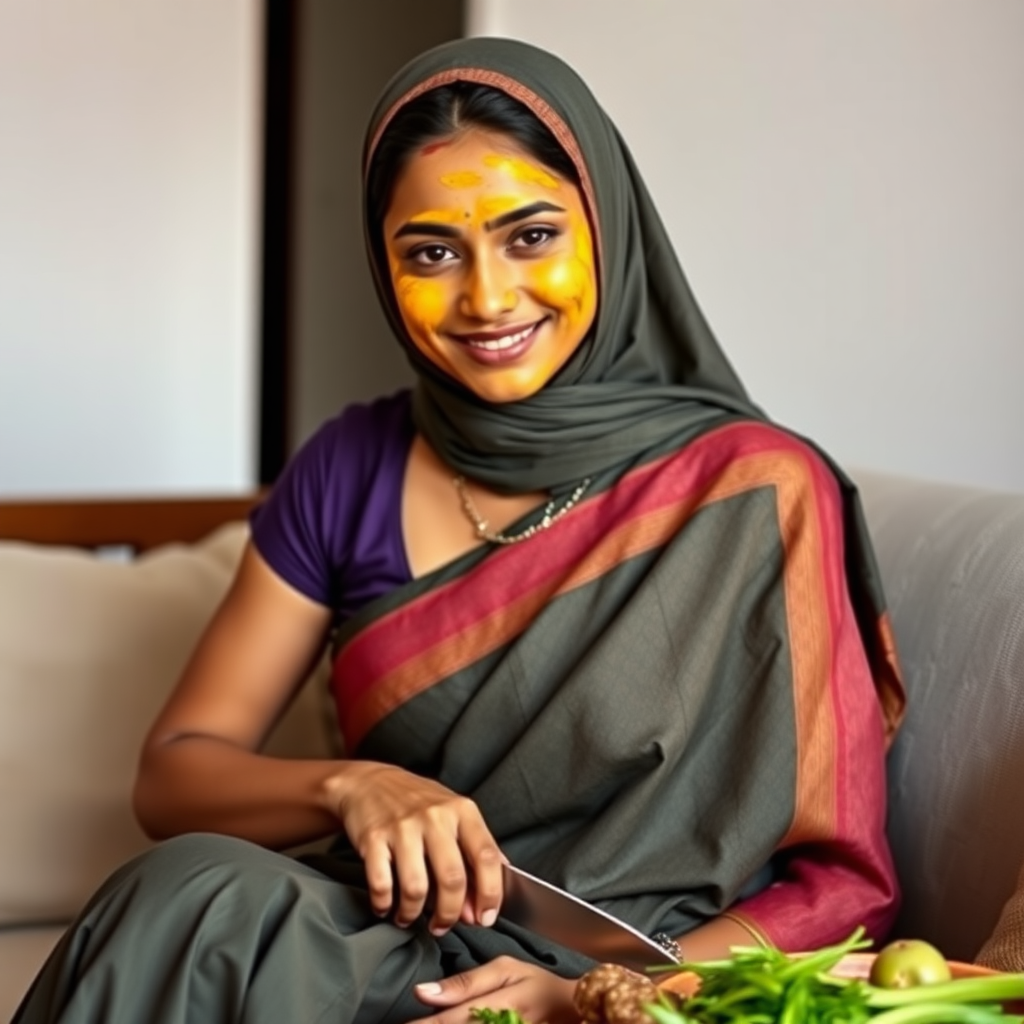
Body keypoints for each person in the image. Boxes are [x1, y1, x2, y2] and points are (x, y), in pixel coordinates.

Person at [14, 36, 905, 1024]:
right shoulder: (352, 465)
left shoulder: (755, 490)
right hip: (380, 936)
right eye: (431, 252)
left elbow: (838, 889)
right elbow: (176, 770)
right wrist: (354, 786)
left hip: (621, 985)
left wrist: (596, 995)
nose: (484, 299)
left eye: (531, 237)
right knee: (186, 891)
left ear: (605, 231)